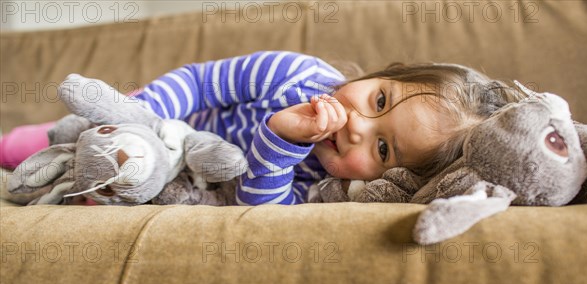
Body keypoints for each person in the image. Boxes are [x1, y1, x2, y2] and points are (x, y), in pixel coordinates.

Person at [0, 50, 519, 205]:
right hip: (157, 124)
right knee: (40, 141)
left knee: (71, 186)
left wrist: (281, 141)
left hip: (179, 181)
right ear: (384, 74)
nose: (358, 126)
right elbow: (202, 83)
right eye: (378, 99)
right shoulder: (299, 73)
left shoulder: (330, 187)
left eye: (384, 148)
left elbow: (258, 209)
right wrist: (141, 113)